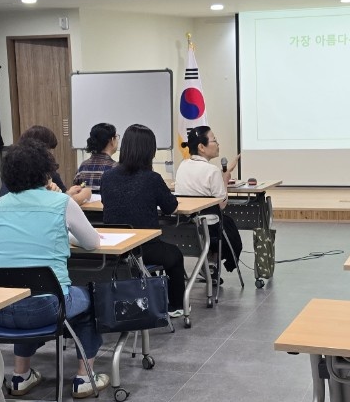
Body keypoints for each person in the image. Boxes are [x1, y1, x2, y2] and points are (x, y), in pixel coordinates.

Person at [0, 140, 109, 399]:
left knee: (23, 292)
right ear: (46, 172)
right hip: (45, 309)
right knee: (90, 300)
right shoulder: (60, 203)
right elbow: (92, 243)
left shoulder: (0, 204)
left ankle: (21, 376)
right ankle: (84, 377)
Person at [98, 123, 187, 317]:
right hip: (144, 249)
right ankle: (176, 306)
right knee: (175, 255)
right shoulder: (152, 178)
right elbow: (171, 207)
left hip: (115, 250)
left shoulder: (107, 177)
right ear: (149, 151)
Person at [175, 125, 244, 272]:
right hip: (207, 227)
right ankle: (212, 261)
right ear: (201, 147)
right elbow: (221, 204)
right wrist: (225, 179)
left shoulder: (182, 165)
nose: (218, 144)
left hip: (185, 226)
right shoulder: (212, 171)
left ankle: (209, 263)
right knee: (227, 224)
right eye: (214, 140)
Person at [2, 125, 91, 204]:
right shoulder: (46, 174)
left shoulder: (11, 172)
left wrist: (67, 194)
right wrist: (84, 194)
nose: (50, 154)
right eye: (49, 150)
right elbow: (64, 203)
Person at [73, 123, 119, 194]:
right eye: (117, 137)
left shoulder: (83, 166)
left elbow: (76, 190)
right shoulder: (116, 167)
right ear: (112, 140)